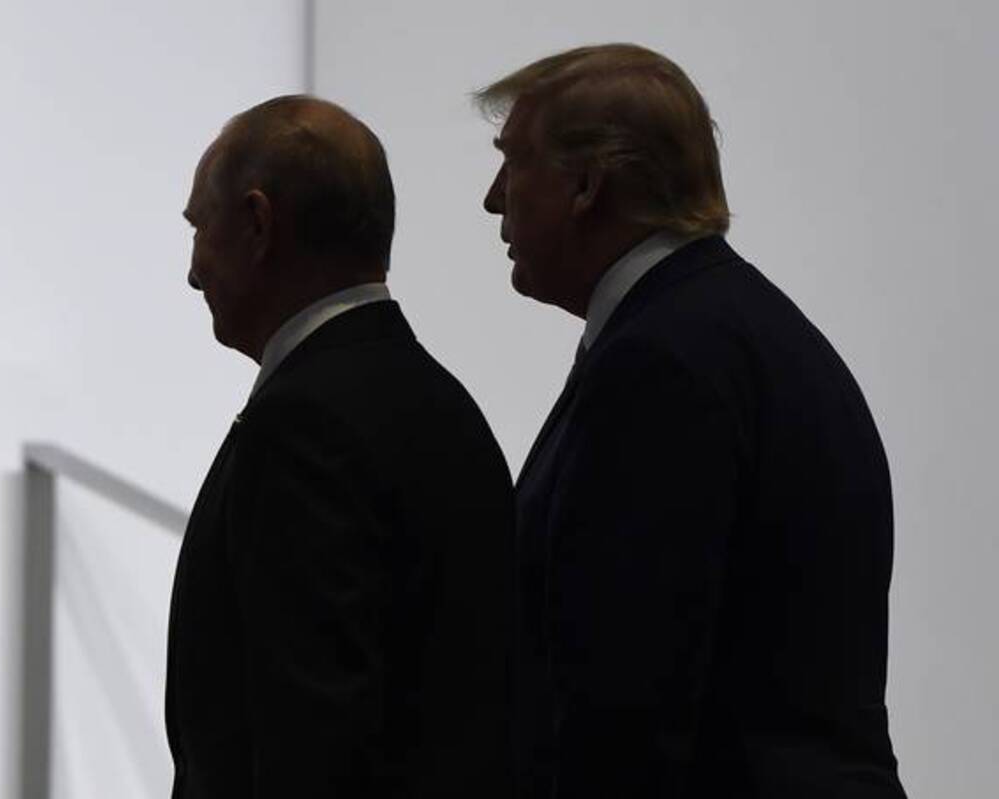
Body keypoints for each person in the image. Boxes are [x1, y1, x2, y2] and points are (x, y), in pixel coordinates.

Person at [477, 44, 906, 798]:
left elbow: (626, 697)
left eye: (513, 162)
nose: (492, 198)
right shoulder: (742, 331)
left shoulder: (661, 363)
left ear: (586, 185)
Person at [166, 95, 515, 799]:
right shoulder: (442, 403)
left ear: (258, 223)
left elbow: (312, 735)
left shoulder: (301, 426)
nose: (193, 271)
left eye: (200, 226)